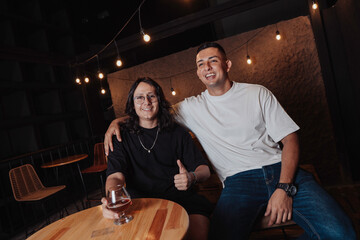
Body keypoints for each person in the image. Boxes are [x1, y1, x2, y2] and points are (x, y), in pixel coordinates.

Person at [104, 43, 356, 240]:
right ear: (198, 73)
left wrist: (284, 188)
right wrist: (116, 122)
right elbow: (148, 110)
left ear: (227, 64)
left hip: (282, 171)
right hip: (239, 181)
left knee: (342, 234)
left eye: (213, 60)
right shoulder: (192, 107)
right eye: (201, 63)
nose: (207, 66)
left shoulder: (257, 93)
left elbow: (290, 139)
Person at [101, 77, 212, 240]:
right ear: (132, 104)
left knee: (198, 233)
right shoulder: (120, 136)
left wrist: (191, 176)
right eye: (139, 97)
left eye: (151, 96)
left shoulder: (178, 133)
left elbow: (205, 170)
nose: (146, 101)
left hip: (181, 200)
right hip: (140, 204)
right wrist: (113, 197)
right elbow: (115, 176)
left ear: (159, 100)